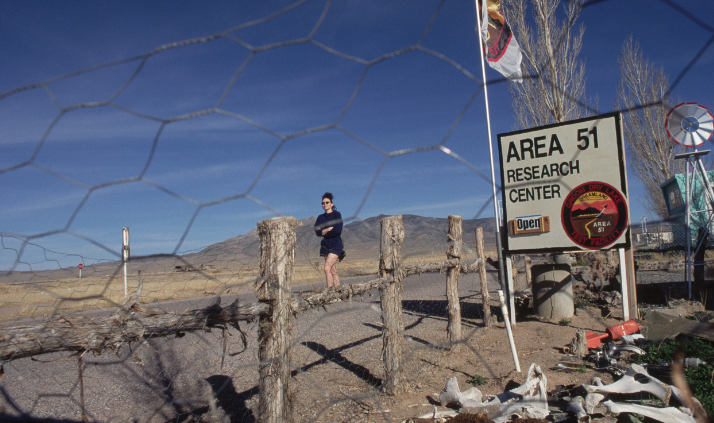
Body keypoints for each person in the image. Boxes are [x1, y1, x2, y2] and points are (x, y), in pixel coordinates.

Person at [314, 192, 343, 289]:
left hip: (336, 244)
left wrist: (324, 231)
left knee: (326, 269)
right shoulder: (320, 218)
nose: (325, 204)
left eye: (327, 202)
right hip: (326, 245)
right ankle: (338, 292)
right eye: (323, 203)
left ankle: (330, 292)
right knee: (333, 270)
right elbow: (317, 232)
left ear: (332, 204)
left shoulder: (336, 215)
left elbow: (337, 230)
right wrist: (328, 229)